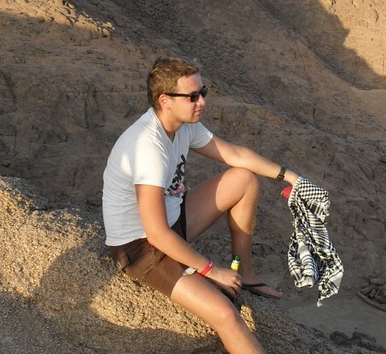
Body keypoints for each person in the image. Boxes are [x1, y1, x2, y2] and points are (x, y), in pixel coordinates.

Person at [102, 56, 299, 354]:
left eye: (203, 92)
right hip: (141, 247)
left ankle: (246, 273)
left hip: (172, 221)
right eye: (192, 96)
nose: (202, 101)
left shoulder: (183, 126)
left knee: (244, 179)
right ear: (165, 100)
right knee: (225, 315)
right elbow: (156, 234)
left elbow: (236, 155)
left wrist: (292, 177)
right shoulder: (147, 146)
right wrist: (211, 270)